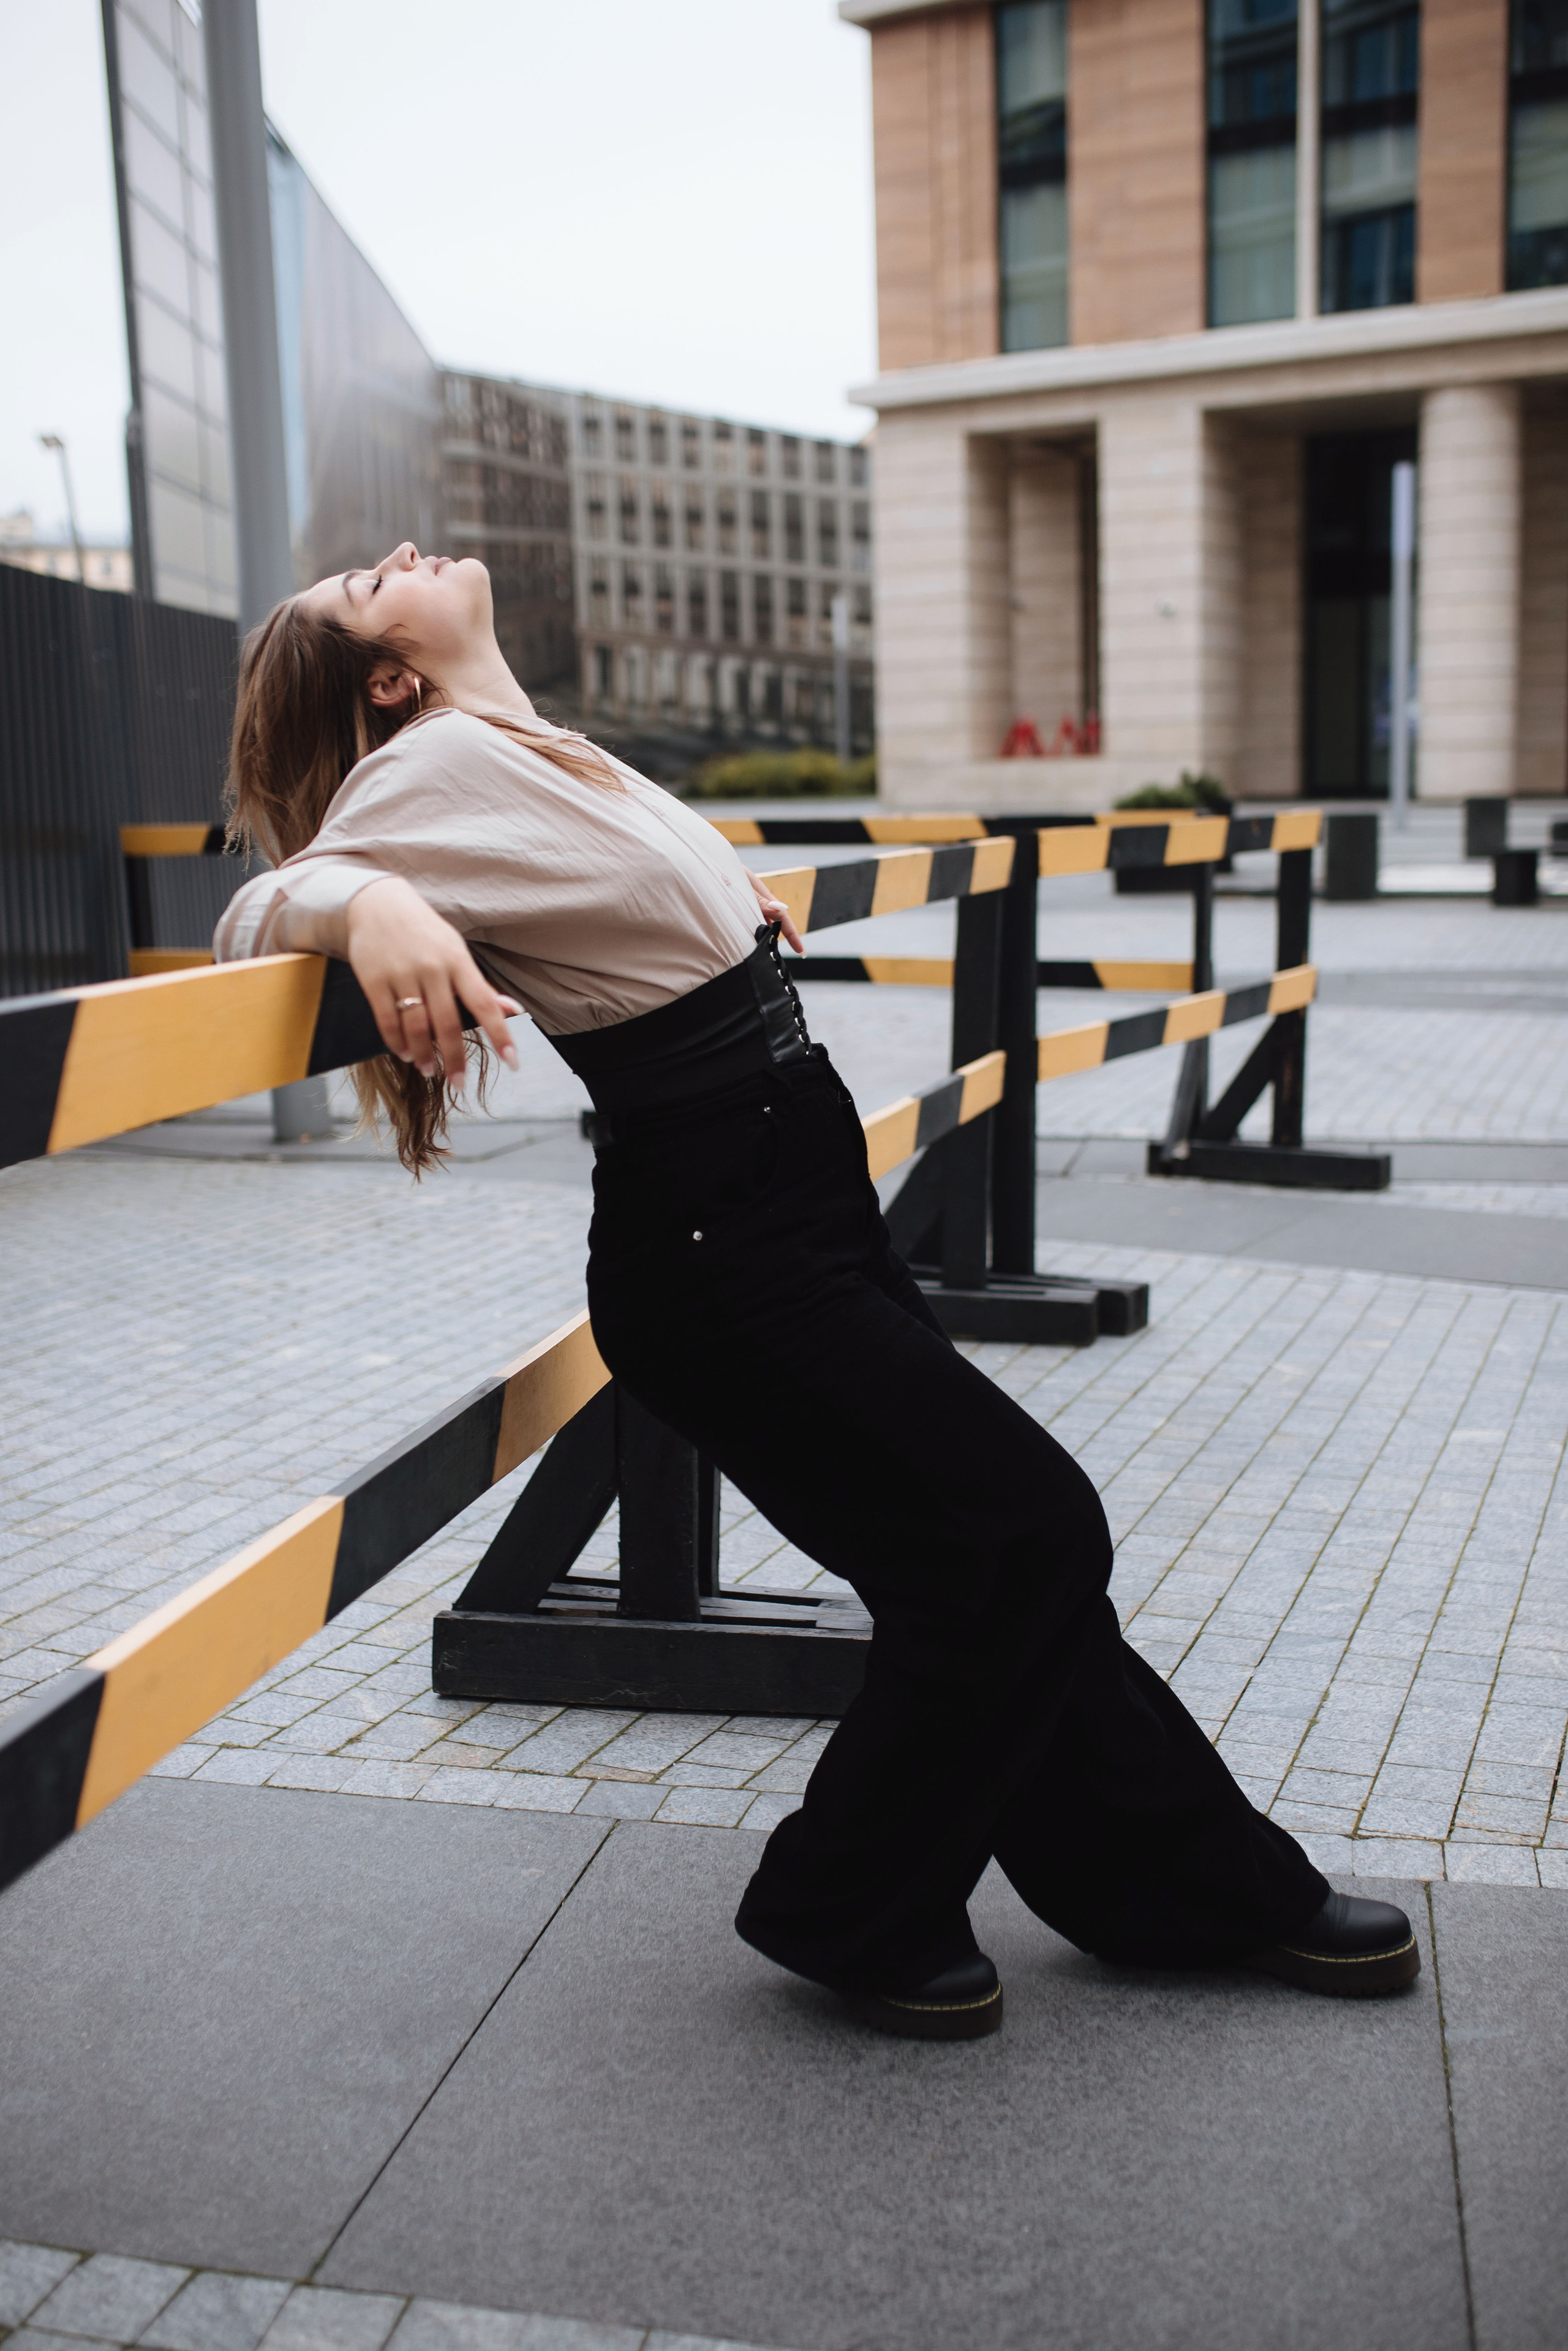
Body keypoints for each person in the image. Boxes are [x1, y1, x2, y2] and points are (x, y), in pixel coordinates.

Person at [216, 542, 1419, 2040]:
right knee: (1032, 1528)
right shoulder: (426, 772)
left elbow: (622, 910)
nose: (390, 554)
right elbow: (263, 908)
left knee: (980, 1568)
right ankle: (845, 1902)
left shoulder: (534, 750)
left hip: (791, 1193)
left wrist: (721, 909)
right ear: (387, 675)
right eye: (356, 584)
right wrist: (368, 913)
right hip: (720, 1243)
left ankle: (1181, 1890)